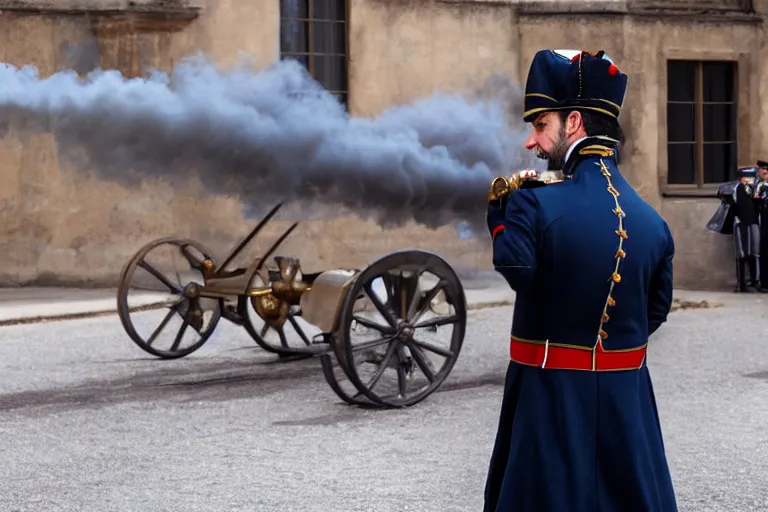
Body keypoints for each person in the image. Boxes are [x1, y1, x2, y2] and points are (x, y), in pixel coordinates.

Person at [484, 49, 678, 512]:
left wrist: (499, 213)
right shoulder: (653, 223)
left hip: (548, 397)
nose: (532, 141)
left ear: (573, 123)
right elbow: (656, 311)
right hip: (626, 402)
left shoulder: (534, 204)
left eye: (540, 125)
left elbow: (516, 269)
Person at [731, 167, 762, 292]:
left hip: (753, 223)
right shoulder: (737, 189)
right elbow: (733, 206)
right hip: (741, 224)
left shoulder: (756, 190)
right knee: (741, 254)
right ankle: (741, 283)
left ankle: (755, 280)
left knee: (754, 253)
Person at [755, 161, 768, 290]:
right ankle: (765, 282)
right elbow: (756, 199)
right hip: (764, 219)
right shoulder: (759, 186)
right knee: (764, 249)